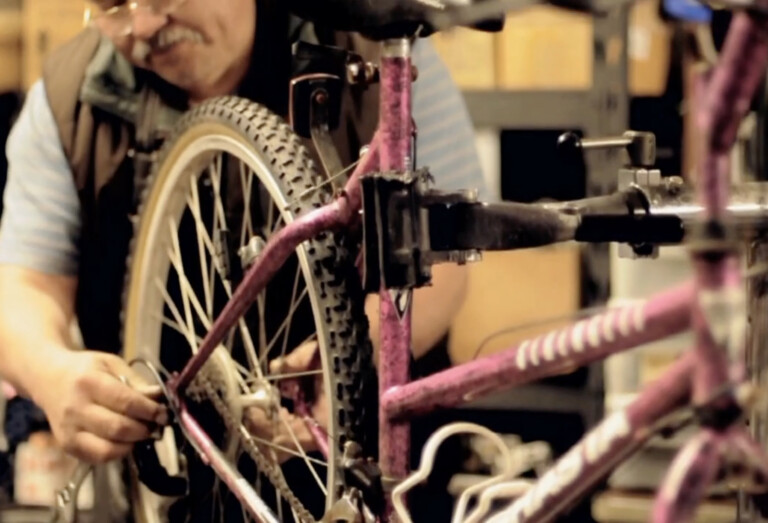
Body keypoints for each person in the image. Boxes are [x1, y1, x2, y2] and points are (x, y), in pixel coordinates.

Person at [0, 0, 487, 467]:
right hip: (163, 471)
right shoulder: (71, 96)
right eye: (114, 4)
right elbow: (22, 285)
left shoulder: (384, 57)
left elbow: (440, 270)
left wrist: (354, 362)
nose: (144, 23)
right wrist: (50, 371)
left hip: (356, 450)